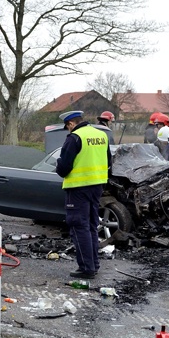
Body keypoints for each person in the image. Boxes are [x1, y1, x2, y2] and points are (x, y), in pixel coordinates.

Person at [55, 110, 111, 279]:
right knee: (92, 226)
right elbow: (109, 160)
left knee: (79, 227)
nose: (68, 130)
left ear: (71, 124)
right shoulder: (101, 135)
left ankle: (87, 268)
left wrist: (58, 164)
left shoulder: (75, 138)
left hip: (78, 188)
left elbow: (63, 168)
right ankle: (94, 264)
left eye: (68, 127)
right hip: (97, 187)